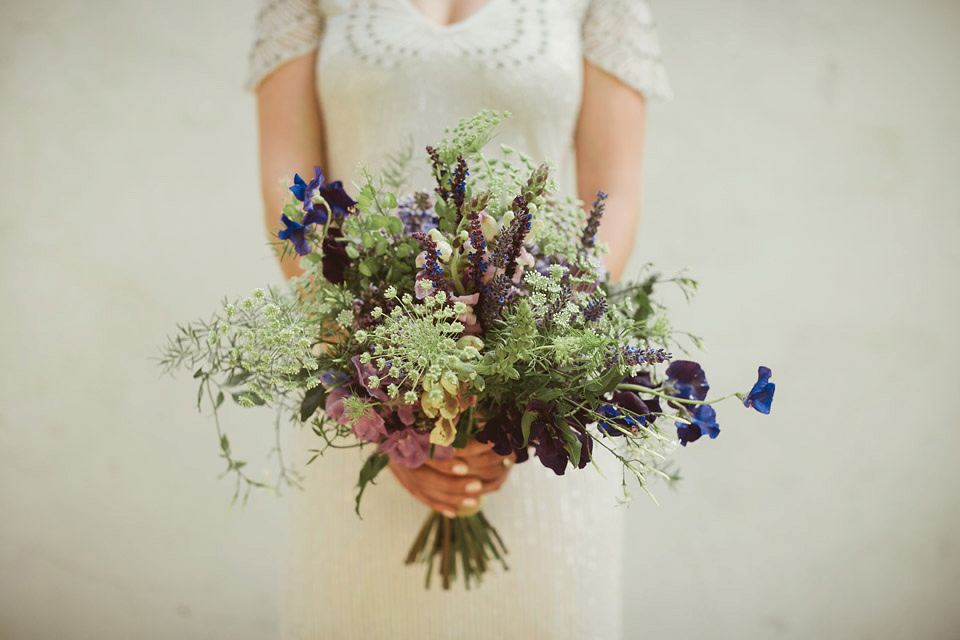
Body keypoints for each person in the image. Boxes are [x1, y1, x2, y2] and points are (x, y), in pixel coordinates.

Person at [249, 1, 671, 637]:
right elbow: (290, 186)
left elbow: (614, 191)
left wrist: (525, 374)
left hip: (540, 417)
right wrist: (387, 406)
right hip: (358, 385)